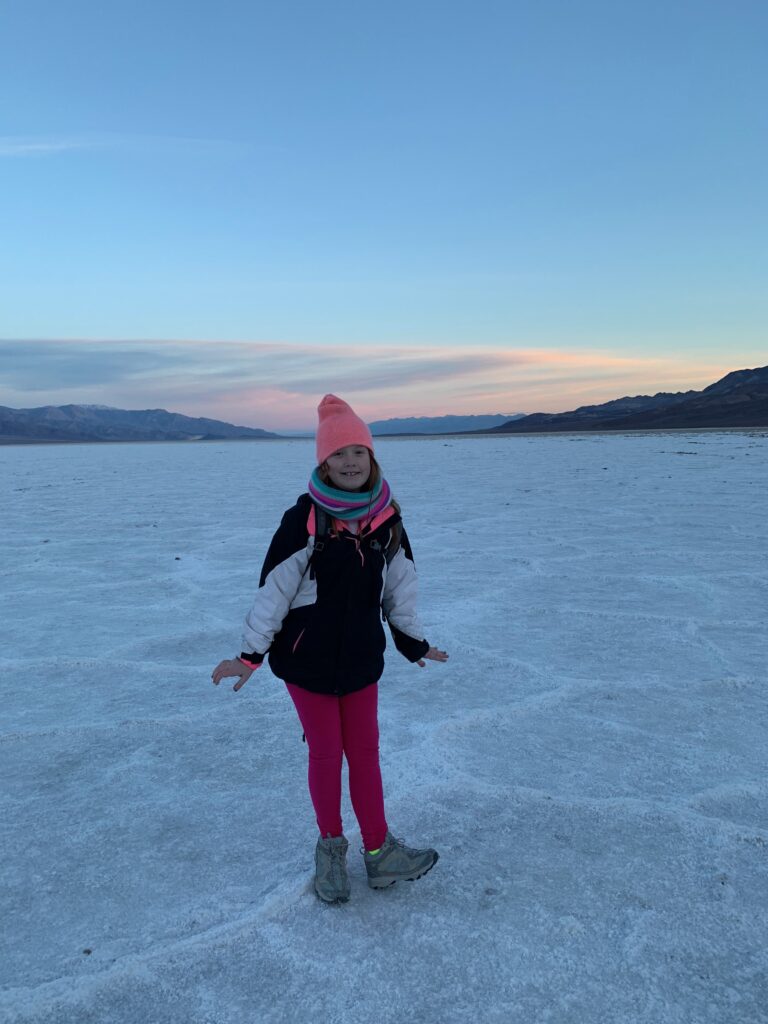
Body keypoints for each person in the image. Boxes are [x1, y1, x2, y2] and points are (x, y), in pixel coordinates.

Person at [211, 393, 449, 904]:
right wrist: (250, 656)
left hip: (362, 661)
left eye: (357, 452)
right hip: (307, 662)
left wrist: (413, 643)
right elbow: (273, 592)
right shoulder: (305, 521)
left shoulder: (388, 521)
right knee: (326, 754)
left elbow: (400, 591)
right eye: (338, 455)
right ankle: (331, 851)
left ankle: (381, 854)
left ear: (371, 458)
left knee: (365, 754)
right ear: (323, 462)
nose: (349, 462)